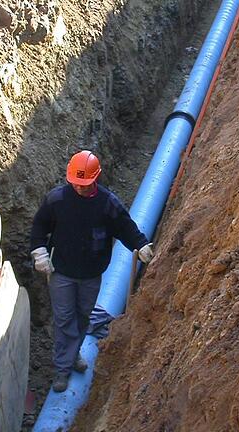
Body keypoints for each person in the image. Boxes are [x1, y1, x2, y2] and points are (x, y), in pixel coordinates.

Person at [30, 150, 154, 392]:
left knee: (83, 316)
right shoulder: (57, 200)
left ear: (95, 178)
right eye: (75, 183)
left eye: (84, 184)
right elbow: (39, 227)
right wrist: (39, 252)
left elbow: (125, 227)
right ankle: (62, 370)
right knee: (65, 319)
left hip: (91, 273)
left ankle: (72, 354)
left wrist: (140, 244)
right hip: (62, 272)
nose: (79, 188)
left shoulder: (107, 203)